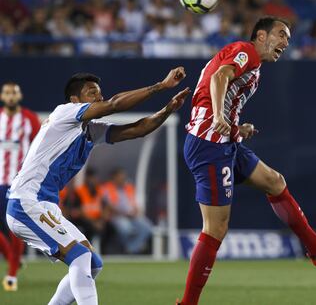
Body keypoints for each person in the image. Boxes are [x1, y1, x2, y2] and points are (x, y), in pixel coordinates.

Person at [176, 16, 316, 305]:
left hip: (226, 141)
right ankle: (187, 303)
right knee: (215, 229)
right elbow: (221, 76)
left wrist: (236, 127)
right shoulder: (244, 51)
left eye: (288, 37)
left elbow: (217, 90)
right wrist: (221, 117)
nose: (286, 42)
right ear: (261, 36)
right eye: (281, 35)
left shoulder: (254, 67)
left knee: (275, 182)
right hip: (208, 145)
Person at [5, 68, 189, 305]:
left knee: (92, 264)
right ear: (75, 100)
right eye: (92, 93)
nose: (99, 97)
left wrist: (167, 110)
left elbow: (138, 129)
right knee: (80, 256)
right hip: (25, 202)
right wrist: (160, 87)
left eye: (100, 93)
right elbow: (114, 104)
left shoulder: (90, 131)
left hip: (44, 206)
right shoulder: (65, 113)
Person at [0, 81, 41, 291]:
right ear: (2, 96)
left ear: (20, 95)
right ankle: (13, 261)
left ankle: (12, 275)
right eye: (7, 92)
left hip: (18, 183)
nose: (10, 96)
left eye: (14, 92)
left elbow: (41, 146)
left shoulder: (29, 119)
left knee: (14, 229)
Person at [102, 167, 153, 254]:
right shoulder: (106, 188)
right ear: (114, 177)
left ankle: (131, 249)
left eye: (123, 177)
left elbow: (135, 203)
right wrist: (124, 213)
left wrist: (136, 210)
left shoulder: (129, 187)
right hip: (116, 216)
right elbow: (108, 205)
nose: (123, 179)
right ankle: (127, 249)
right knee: (126, 229)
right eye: (120, 177)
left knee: (147, 227)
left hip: (131, 216)